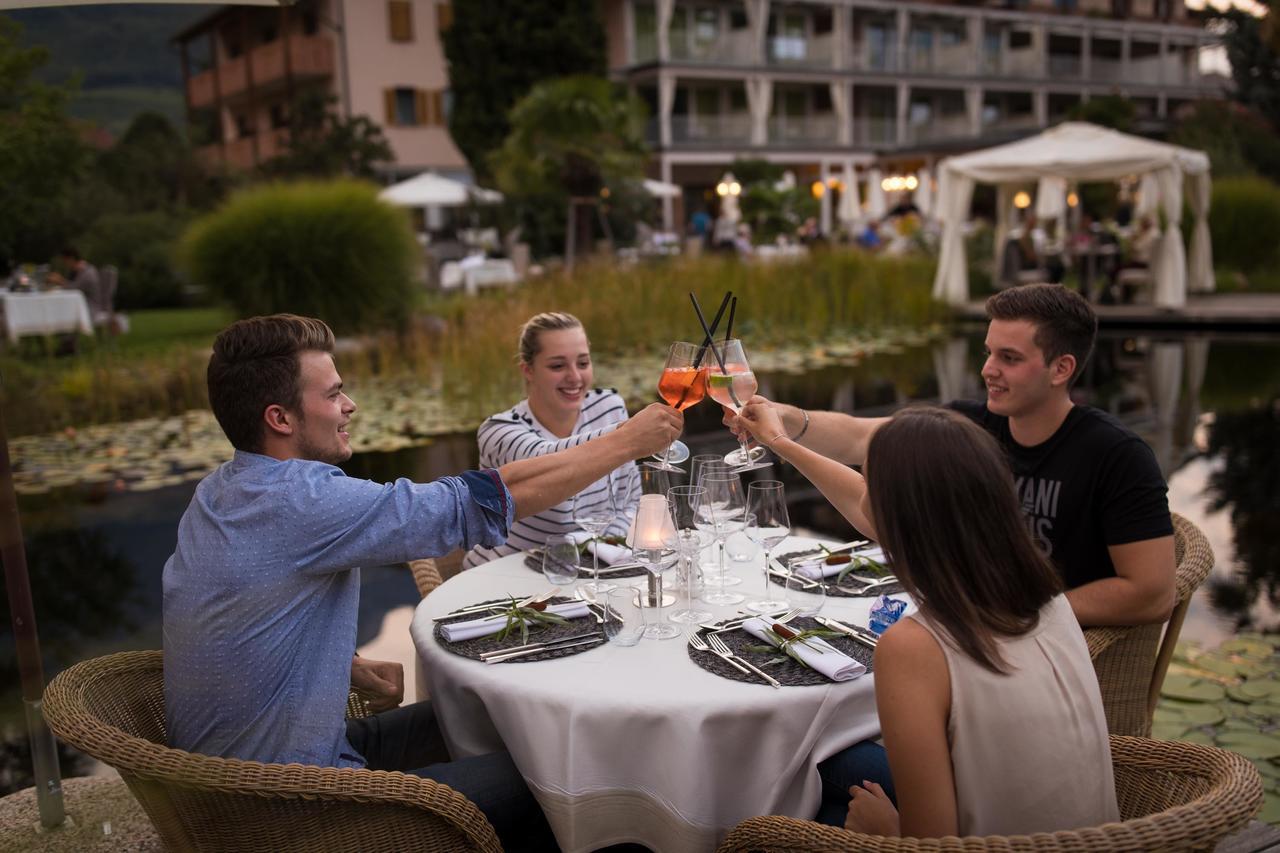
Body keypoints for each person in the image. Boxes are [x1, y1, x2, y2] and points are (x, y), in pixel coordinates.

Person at [162, 314, 682, 851]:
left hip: (242, 780)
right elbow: (477, 502)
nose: (350, 406)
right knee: (578, 778)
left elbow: (237, 620)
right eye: (334, 394)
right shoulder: (304, 501)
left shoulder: (221, 492)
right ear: (280, 418)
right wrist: (625, 442)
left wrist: (345, 665)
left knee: (505, 718)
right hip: (295, 807)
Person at [731, 284, 1175, 628]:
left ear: (1061, 369)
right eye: (988, 353)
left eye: (1009, 357)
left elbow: (1152, 594)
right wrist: (785, 419)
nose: (988, 370)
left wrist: (1019, 616)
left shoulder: (1116, 455)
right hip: (967, 630)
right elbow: (857, 438)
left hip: (1054, 650)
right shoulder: (967, 427)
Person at [812, 408, 1119, 837]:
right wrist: (783, 443)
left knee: (800, 801)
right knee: (824, 761)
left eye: (870, 482)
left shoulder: (915, 646)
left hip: (984, 844)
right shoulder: (1048, 599)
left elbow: (931, 843)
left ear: (900, 516)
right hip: (1095, 838)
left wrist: (885, 828)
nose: (862, 490)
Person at [463, 312, 640, 568]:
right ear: (528, 370)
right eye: (557, 366)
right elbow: (548, 461)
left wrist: (606, 551)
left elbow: (630, 501)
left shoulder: (609, 409)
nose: (575, 377)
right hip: (505, 577)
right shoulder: (499, 431)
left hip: (585, 569)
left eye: (583, 363)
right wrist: (628, 436)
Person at [49, 247, 104, 314]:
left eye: (65, 260)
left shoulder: (87, 272)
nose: (64, 264)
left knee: (60, 310)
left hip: (90, 307)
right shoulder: (78, 270)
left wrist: (60, 281)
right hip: (82, 304)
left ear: (71, 258)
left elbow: (75, 289)